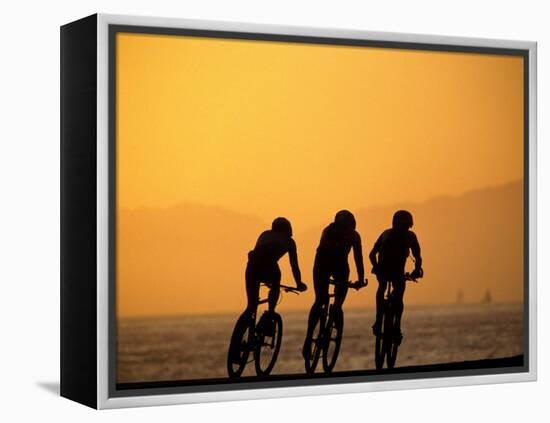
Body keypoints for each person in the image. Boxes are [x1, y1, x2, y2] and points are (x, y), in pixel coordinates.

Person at [303, 210, 366, 359]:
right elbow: (353, 257)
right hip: (323, 263)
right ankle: (308, 338)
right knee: (320, 299)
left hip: (339, 266)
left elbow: (358, 258)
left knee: (336, 302)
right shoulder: (329, 231)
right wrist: (358, 280)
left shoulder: (354, 236)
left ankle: (336, 311)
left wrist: (361, 279)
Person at [369, 210, 423, 339]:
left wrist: (375, 267)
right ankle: (387, 324)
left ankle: (385, 323)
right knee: (392, 292)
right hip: (389, 271)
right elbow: (417, 256)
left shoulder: (393, 234)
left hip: (389, 271)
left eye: (406, 227)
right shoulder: (403, 236)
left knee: (389, 291)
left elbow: (372, 254)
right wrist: (417, 270)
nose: (404, 229)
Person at [244, 217, 307, 318]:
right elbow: (294, 266)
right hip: (268, 267)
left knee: (251, 307)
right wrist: (299, 283)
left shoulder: (265, 234)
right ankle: (271, 313)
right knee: (276, 282)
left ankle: (238, 333)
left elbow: (256, 255)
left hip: (251, 266)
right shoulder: (289, 241)